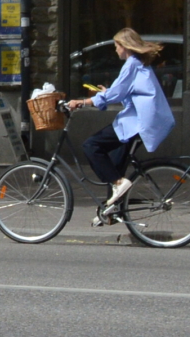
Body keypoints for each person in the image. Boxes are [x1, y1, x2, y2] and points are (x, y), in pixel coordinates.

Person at [69, 28, 175, 222]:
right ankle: (112, 212)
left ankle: (118, 184)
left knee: (91, 146)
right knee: (115, 164)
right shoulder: (138, 64)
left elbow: (117, 93)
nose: (116, 50)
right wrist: (108, 93)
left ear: (125, 46)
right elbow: (127, 93)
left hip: (136, 122)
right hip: (140, 120)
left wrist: (83, 102)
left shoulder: (132, 64)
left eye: (117, 45)